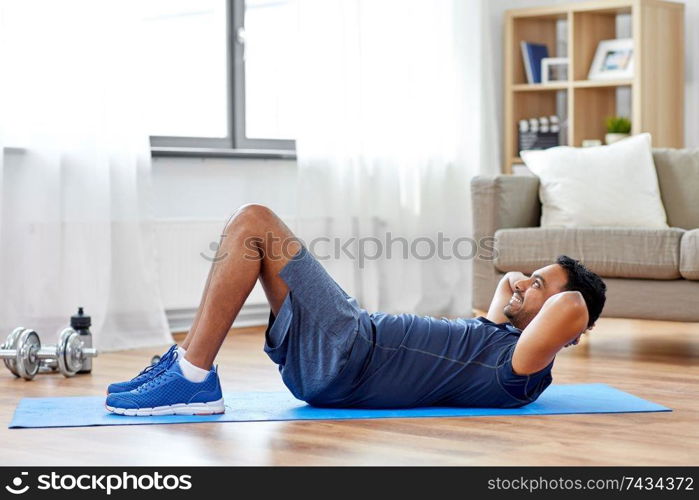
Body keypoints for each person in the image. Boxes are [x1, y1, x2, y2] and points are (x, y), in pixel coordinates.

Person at [105, 204, 607, 416]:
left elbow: (570, 305)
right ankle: (187, 364)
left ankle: (191, 378)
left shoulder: (520, 369)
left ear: (568, 332)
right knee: (251, 235)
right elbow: (506, 287)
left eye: (537, 285)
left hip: (354, 347)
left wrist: (557, 292)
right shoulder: (497, 337)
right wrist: (527, 287)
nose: (522, 285)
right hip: (337, 360)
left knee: (254, 221)